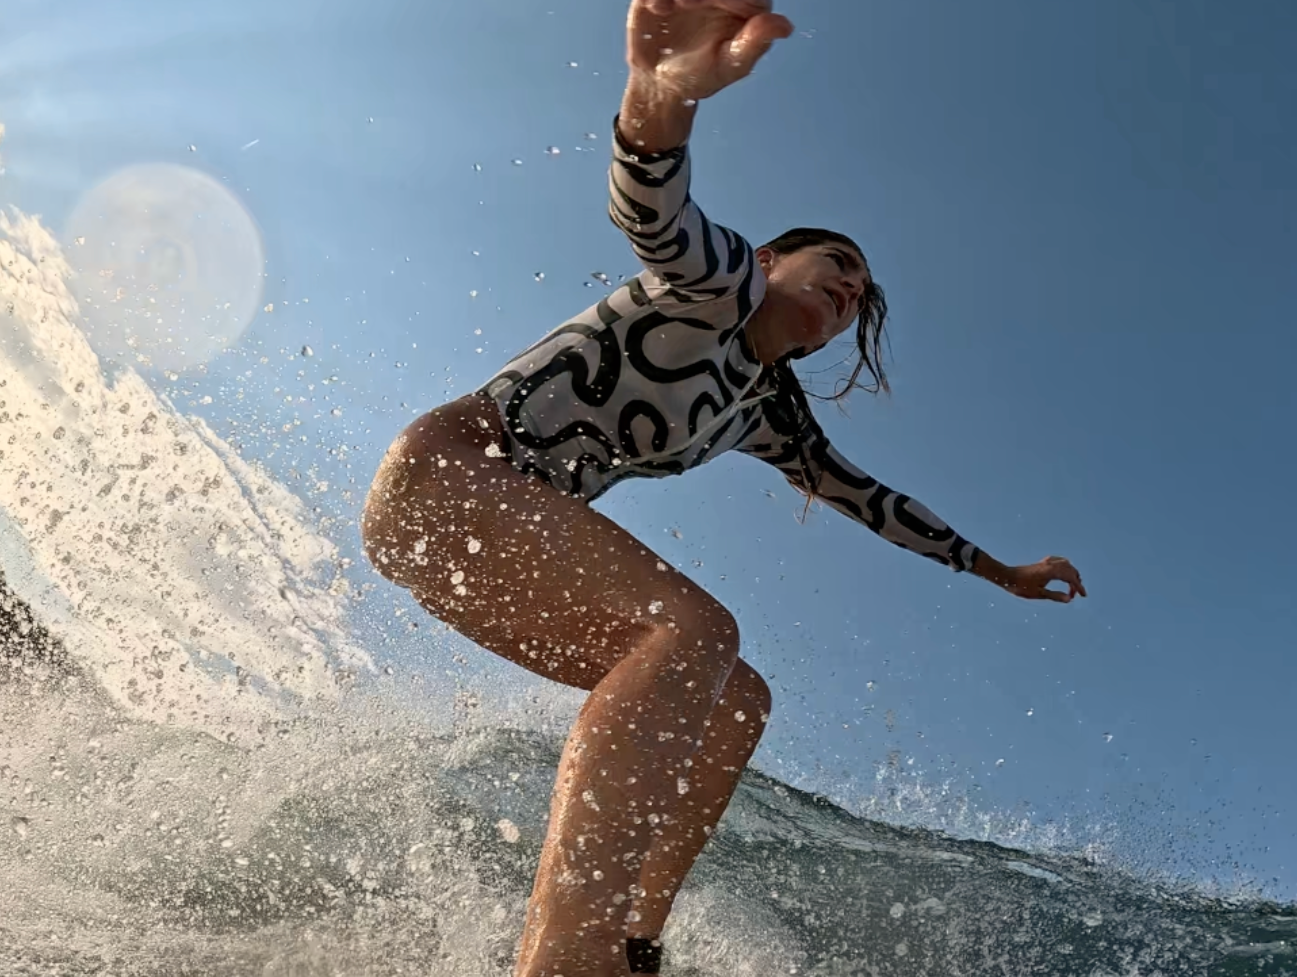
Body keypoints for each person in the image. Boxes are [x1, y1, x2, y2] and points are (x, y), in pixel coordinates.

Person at [361, 0, 1087, 973]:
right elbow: (649, 211)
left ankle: (633, 940)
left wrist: (997, 571)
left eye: (860, 295)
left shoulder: (766, 407)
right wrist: (657, 97)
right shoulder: (718, 285)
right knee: (694, 631)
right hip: (446, 481)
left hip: (491, 546)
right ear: (774, 258)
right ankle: (564, 956)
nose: (847, 292)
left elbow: (869, 499)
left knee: (737, 695)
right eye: (837, 265)